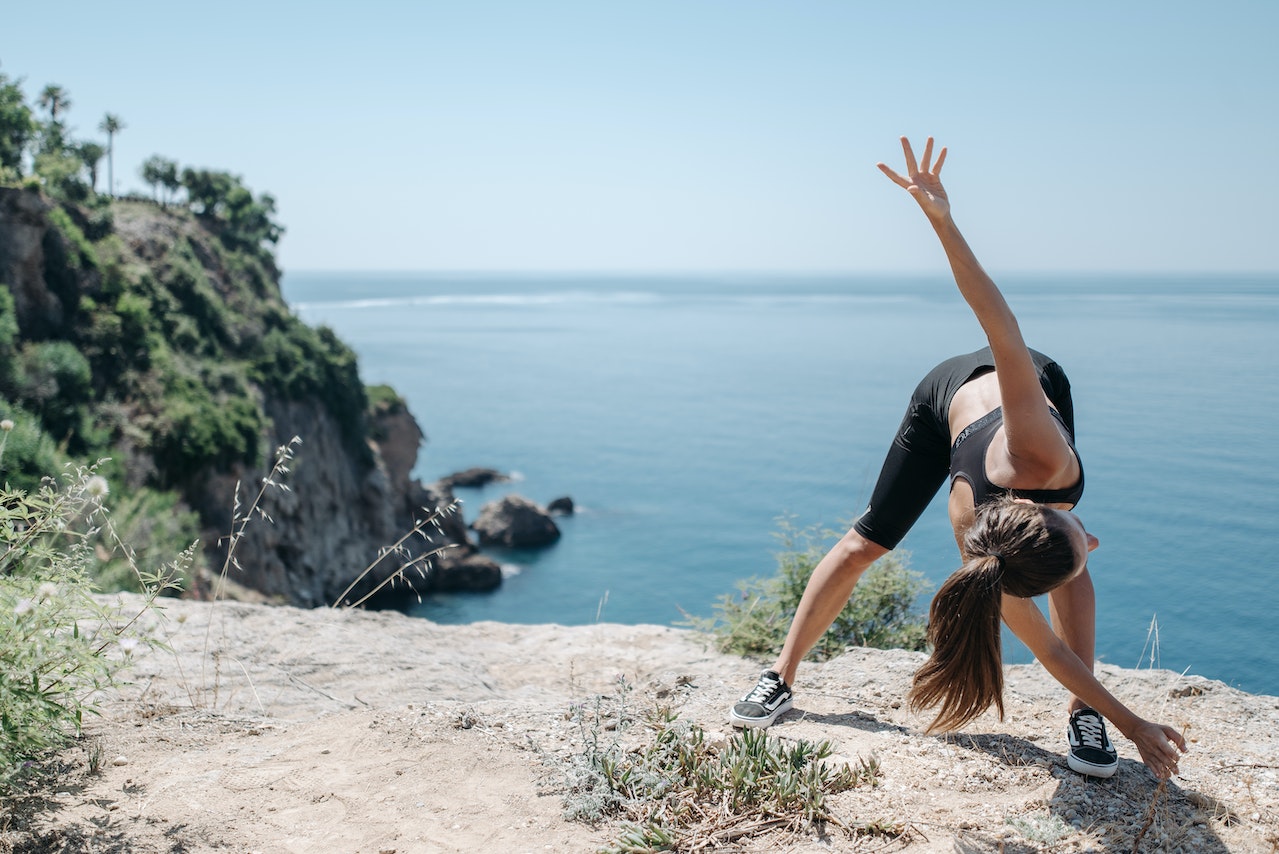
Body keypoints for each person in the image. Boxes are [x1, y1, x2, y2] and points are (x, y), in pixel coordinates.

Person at [729, 137, 1187, 781]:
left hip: (1020, 409)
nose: (1092, 535)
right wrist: (943, 221)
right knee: (866, 544)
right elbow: (1046, 645)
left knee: (1068, 571)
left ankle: (1082, 711)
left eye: (1078, 533)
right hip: (946, 394)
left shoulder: (1017, 501)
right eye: (1081, 535)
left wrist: (1128, 722)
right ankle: (779, 674)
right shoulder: (1013, 491)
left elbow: (1048, 647)